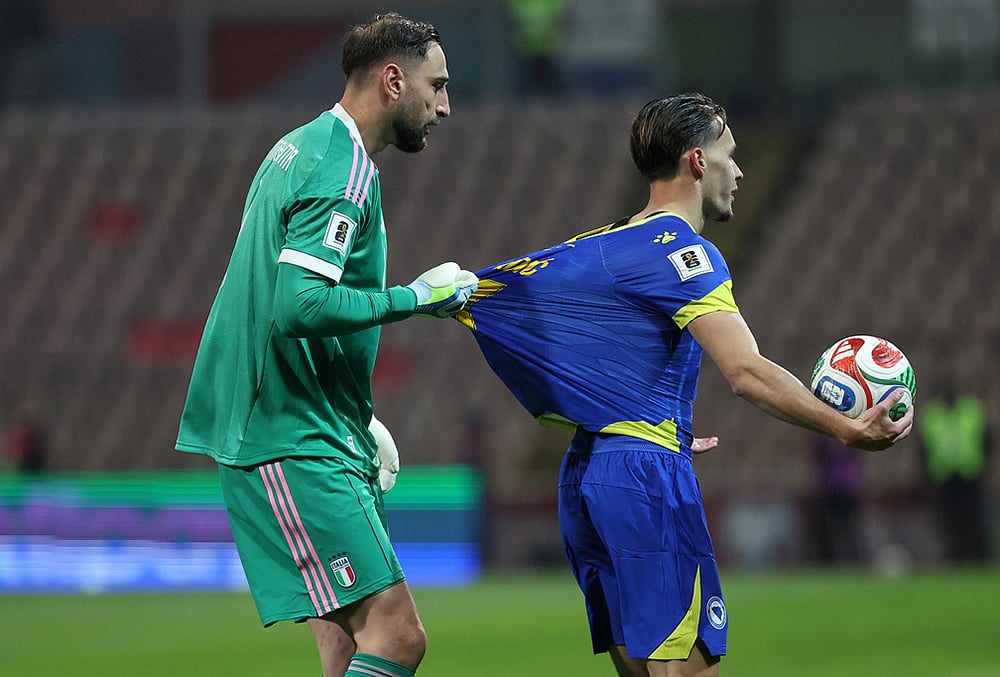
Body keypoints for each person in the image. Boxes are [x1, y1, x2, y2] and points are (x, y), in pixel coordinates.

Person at [457, 93, 913, 676]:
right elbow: (745, 372)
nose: (739, 171)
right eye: (730, 154)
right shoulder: (687, 253)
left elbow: (582, 336)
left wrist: (657, 417)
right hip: (644, 475)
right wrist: (846, 428)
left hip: (588, 471)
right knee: (687, 668)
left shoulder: (606, 242)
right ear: (698, 162)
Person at [175, 14, 478, 677]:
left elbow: (264, 296)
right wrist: (417, 298)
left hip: (308, 420)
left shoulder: (301, 147)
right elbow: (298, 305)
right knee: (397, 635)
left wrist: (351, 412)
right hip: (288, 436)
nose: (445, 106)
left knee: (346, 643)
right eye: (438, 85)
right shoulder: (341, 170)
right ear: (393, 81)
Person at [919, 385, 991, 563]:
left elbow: (988, 440)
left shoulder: (971, 409)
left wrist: (984, 466)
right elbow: (922, 448)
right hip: (943, 476)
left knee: (973, 519)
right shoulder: (932, 414)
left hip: (970, 473)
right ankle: (954, 557)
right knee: (949, 521)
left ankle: (977, 557)